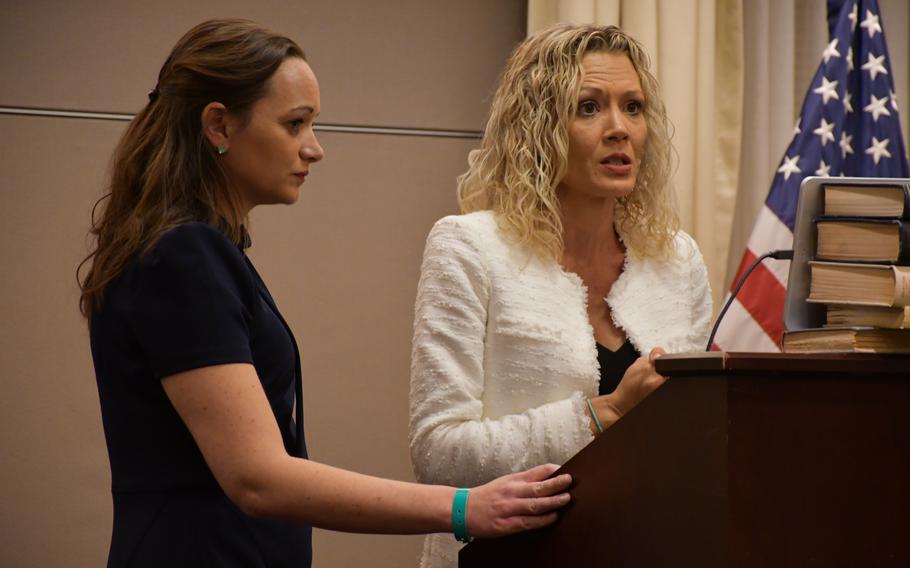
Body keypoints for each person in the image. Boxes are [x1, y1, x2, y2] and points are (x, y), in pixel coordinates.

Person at [78, 19, 573, 568]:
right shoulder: (184, 256)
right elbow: (257, 478)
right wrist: (463, 507)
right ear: (218, 125)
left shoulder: (202, 252)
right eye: (295, 124)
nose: (315, 149)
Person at [409, 23, 713, 567]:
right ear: (538, 128)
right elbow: (439, 453)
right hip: (508, 556)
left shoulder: (677, 259)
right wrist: (604, 414)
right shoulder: (469, 248)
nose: (620, 129)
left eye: (634, 107)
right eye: (589, 107)